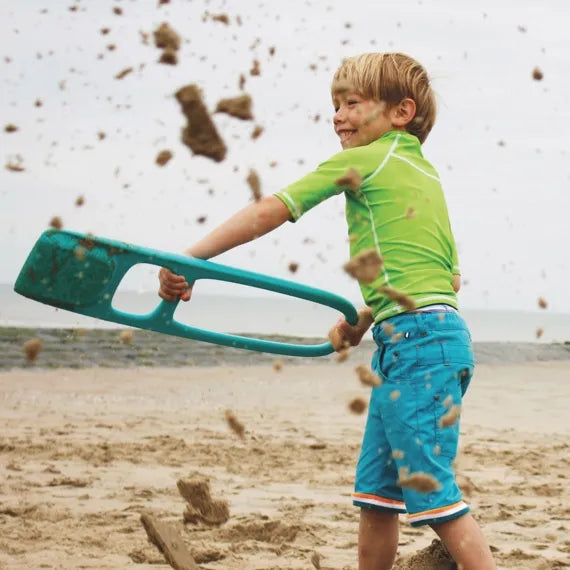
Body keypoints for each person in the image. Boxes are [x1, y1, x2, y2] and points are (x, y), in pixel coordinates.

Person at [158, 52, 495, 570]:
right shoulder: (423, 175)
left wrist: (189, 258)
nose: (336, 115)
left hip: (418, 344)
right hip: (422, 338)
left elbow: (274, 208)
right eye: (334, 105)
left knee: (435, 495)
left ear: (400, 113)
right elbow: (440, 279)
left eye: (351, 104)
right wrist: (363, 322)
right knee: (377, 496)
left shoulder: (369, 158)